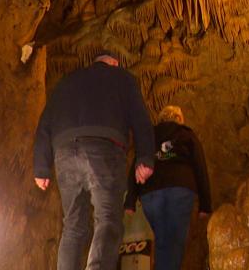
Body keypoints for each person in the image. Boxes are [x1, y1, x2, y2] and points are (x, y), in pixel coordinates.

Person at [33, 51, 155, 270]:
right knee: (107, 220)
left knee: (73, 226)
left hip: (64, 153)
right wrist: (144, 157)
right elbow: (140, 118)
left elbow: (45, 124)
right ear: (114, 63)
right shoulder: (122, 78)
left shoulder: (66, 82)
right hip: (104, 149)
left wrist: (41, 167)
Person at [123, 105, 211, 270]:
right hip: (180, 190)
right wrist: (205, 204)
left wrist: (130, 201)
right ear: (179, 119)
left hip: (151, 193)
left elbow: (137, 164)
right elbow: (200, 167)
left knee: (163, 242)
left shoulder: (149, 137)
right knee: (175, 243)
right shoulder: (186, 134)